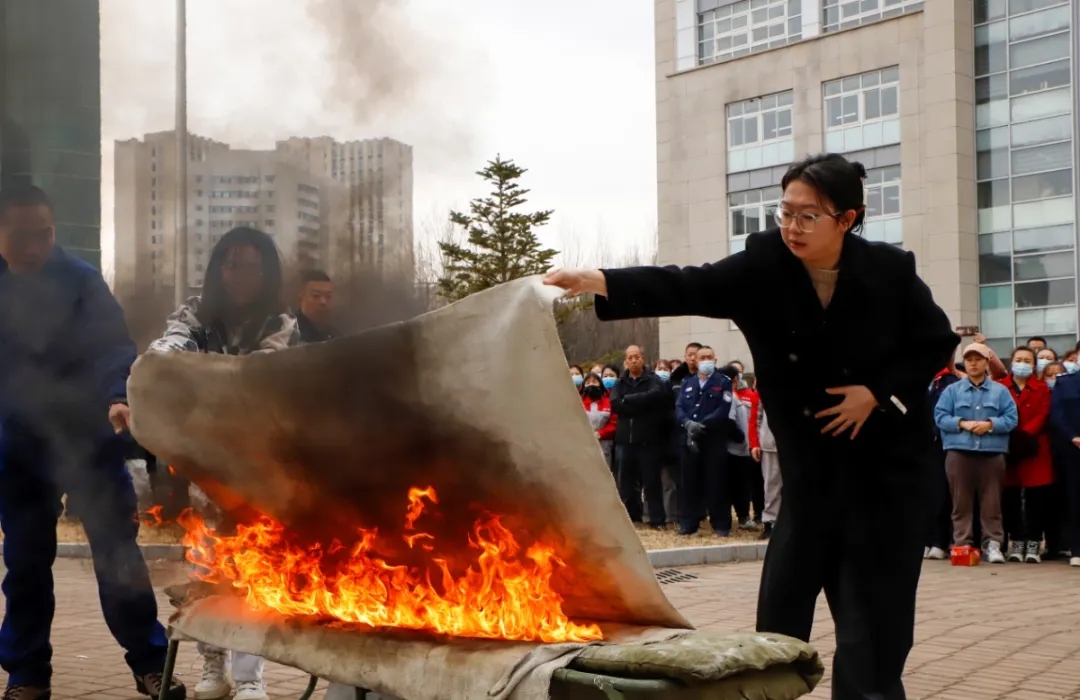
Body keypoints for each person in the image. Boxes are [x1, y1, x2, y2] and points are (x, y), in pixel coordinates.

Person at [545, 152, 959, 700]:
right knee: (777, 632)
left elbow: (935, 343)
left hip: (887, 478)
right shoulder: (765, 265)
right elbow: (688, 284)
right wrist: (598, 280)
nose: (792, 226)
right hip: (811, 480)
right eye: (785, 211)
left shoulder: (890, 270)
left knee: (873, 637)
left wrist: (879, 395)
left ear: (847, 219)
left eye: (808, 216)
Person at [0, 184, 184, 700]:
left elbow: (112, 347)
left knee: (119, 557)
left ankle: (150, 664)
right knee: (25, 567)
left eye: (45, 234)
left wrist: (116, 397)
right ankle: (27, 675)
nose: (35, 246)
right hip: (19, 450)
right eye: (22, 235)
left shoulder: (81, 281)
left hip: (88, 444)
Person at [147, 226, 300, 700]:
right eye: (232, 265)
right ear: (218, 269)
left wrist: (207, 378)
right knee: (206, 567)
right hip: (204, 462)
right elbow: (169, 347)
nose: (241, 275)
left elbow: (259, 374)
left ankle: (251, 674)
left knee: (253, 570)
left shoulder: (280, 322)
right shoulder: (195, 314)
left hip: (257, 467)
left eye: (252, 266)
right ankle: (213, 664)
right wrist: (153, 367)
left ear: (266, 273)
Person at [934, 343, 1018, 565]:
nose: (973, 364)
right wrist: (962, 423)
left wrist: (990, 424)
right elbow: (940, 417)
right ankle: (962, 544)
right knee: (960, 503)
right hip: (959, 452)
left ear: (987, 363)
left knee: (992, 504)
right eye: (969, 360)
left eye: (978, 359)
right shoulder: (952, 391)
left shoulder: (1000, 391)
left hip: (992, 453)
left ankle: (993, 545)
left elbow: (1011, 419)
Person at [998, 346, 1053, 563]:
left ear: (1034, 365)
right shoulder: (1000, 386)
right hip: (1008, 446)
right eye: (1019, 359)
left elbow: (1044, 413)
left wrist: (1025, 434)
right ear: (1012, 361)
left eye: (1028, 360)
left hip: (1035, 447)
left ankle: (1034, 542)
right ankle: (1016, 540)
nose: (1023, 363)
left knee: (1036, 498)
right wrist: (1012, 435)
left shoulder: (1042, 388)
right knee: (1009, 498)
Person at [674, 346, 735, 536]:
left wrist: (702, 424)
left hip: (713, 439)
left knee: (716, 482)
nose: (706, 360)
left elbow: (723, 408)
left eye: (709, 357)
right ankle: (688, 524)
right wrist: (687, 423)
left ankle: (721, 524)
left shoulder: (723, 382)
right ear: (696, 360)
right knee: (689, 483)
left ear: (715, 360)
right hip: (690, 438)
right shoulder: (688, 382)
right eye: (702, 357)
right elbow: (679, 407)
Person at [609, 346, 669, 528]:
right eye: (630, 358)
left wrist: (629, 399)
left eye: (637, 357)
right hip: (625, 440)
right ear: (625, 362)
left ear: (643, 359)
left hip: (648, 441)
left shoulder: (653, 380)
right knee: (626, 483)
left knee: (651, 482)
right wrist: (639, 404)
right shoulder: (620, 383)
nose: (633, 360)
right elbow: (615, 404)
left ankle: (657, 520)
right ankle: (632, 517)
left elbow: (655, 397)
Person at [924, 363, 964, 560]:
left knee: (941, 493)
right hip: (918, 445)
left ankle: (940, 541)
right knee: (924, 495)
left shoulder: (950, 382)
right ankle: (926, 539)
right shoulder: (919, 379)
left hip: (941, 444)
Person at [1049, 357, 1080, 567]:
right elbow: (1057, 414)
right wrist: (1073, 436)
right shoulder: (1065, 382)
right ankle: (1076, 548)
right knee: (1074, 499)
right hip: (1073, 449)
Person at [726, 360, 762, 528]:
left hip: (748, 447)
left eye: (739, 372)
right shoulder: (726, 395)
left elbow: (754, 419)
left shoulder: (750, 394)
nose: (737, 376)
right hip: (729, 447)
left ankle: (753, 514)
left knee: (749, 484)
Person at [750, 400, 780, 540]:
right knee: (771, 486)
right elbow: (756, 416)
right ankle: (771, 522)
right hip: (770, 444)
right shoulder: (764, 390)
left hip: (794, 444)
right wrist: (755, 443)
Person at [581, 372, 617, 475]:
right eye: (588, 383)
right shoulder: (578, 402)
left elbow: (614, 423)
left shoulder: (608, 402)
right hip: (583, 445)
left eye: (594, 382)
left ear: (600, 384)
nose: (591, 384)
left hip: (604, 444)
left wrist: (601, 433)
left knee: (604, 474)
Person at [295, 269, 337, 343]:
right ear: (301, 297)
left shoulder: (335, 337)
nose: (323, 302)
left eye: (328, 296)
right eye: (316, 295)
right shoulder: (288, 333)